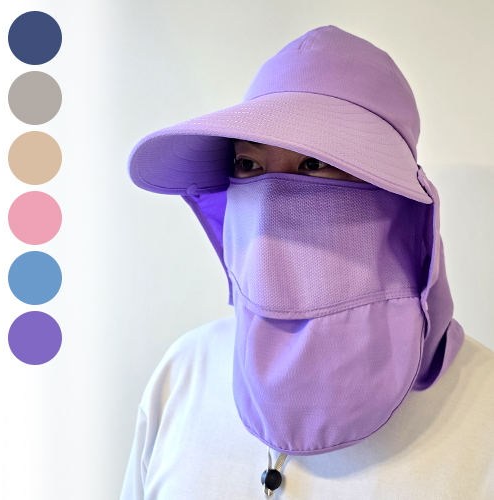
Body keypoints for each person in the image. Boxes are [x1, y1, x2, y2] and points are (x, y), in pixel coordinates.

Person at [120, 26, 494, 499]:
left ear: (398, 201)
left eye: (314, 163)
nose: (271, 200)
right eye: (249, 165)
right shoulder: (183, 375)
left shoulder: (482, 410)